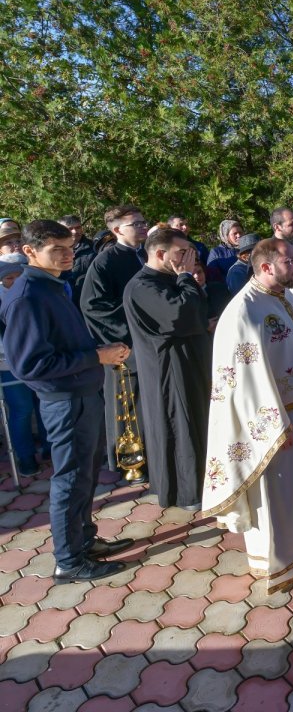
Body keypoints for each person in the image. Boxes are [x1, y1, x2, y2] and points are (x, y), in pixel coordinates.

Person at [203, 238, 293, 592]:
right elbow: (243, 384)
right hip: (277, 425)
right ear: (266, 267)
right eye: (290, 262)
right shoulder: (244, 313)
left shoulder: (284, 298)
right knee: (278, 498)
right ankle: (280, 564)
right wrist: (273, 429)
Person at [1, 220, 133, 582]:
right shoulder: (28, 296)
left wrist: (97, 351)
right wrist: (97, 357)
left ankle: (84, 540)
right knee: (70, 479)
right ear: (29, 251)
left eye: (69, 247)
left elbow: (63, 343)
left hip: (82, 395)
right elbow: (31, 366)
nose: (67, 255)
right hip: (64, 402)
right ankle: (69, 561)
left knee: (85, 476)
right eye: (56, 250)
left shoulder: (52, 285)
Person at [123, 227, 211, 511]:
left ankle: (204, 482)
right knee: (180, 426)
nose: (188, 259)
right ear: (161, 254)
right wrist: (186, 277)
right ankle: (187, 492)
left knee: (196, 422)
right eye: (182, 253)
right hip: (168, 370)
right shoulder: (143, 286)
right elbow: (180, 316)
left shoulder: (169, 279)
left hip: (189, 364)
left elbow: (198, 310)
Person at [80, 204, 148, 474]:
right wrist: (133, 325)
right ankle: (130, 462)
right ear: (118, 229)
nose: (143, 227)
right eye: (137, 224)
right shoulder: (106, 261)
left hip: (147, 344)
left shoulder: (144, 255)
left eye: (144, 222)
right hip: (124, 347)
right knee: (127, 406)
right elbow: (92, 306)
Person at [1, 254, 41, 476]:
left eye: (19, 276)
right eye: (9, 277)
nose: (14, 281)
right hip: (9, 365)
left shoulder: (33, 294)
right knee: (21, 409)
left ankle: (49, 450)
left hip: (40, 360)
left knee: (42, 406)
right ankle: (25, 458)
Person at [58, 215, 97, 307]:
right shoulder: (52, 251)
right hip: (62, 302)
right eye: (70, 228)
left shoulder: (95, 248)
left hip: (89, 301)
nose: (75, 231)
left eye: (78, 227)